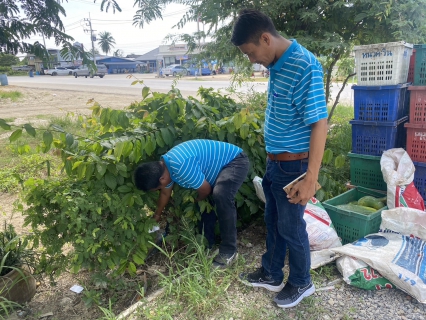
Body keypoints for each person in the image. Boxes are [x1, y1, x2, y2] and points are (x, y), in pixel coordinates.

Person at [231, 9, 328, 308]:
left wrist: (311, 177)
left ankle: (301, 282)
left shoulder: (304, 65)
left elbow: (319, 123)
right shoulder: (276, 62)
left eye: (251, 53)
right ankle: (271, 273)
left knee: (291, 226)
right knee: (272, 220)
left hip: (295, 166)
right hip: (276, 163)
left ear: (265, 38)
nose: (252, 60)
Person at [133, 139, 249, 268]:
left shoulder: (180, 166)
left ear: (162, 179)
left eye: (157, 188)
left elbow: (205, 190)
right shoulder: (165, 167)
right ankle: (209, 244)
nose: (160, 189)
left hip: (234, 161)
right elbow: (165, 194)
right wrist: (156, 216)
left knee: (220, 195)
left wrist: (197, 199)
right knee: (205, 204)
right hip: (218, 170)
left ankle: (229, 250)